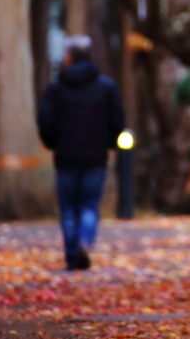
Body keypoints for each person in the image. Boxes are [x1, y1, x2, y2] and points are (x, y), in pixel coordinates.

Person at [38, 34, 125, 271]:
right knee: (89, 205)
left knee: (68, 209)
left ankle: (71, 254)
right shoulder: (107, 87)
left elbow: (46, 122)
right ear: (92, 57)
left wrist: (53, 143)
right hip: (95, 156)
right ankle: (85, 242)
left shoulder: (56, 88)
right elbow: (117, 122)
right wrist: (109, 143)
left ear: (68, 58)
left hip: (65, 155)